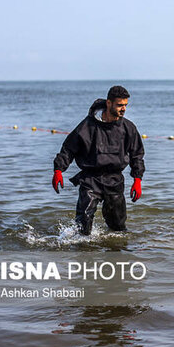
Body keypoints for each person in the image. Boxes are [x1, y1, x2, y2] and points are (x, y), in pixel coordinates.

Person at [51, 85, 145, 235]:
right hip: (90, 179)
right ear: (109, 103)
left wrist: (137, 180)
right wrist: (58, 170)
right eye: (120, 105)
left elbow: (137, 155)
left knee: (118, 229)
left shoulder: (128, 128)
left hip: (115, 180)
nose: (124, 109)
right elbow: (68, 149)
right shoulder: (87, 126)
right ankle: (83, 251)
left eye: (125, 105)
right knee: (83, 225)